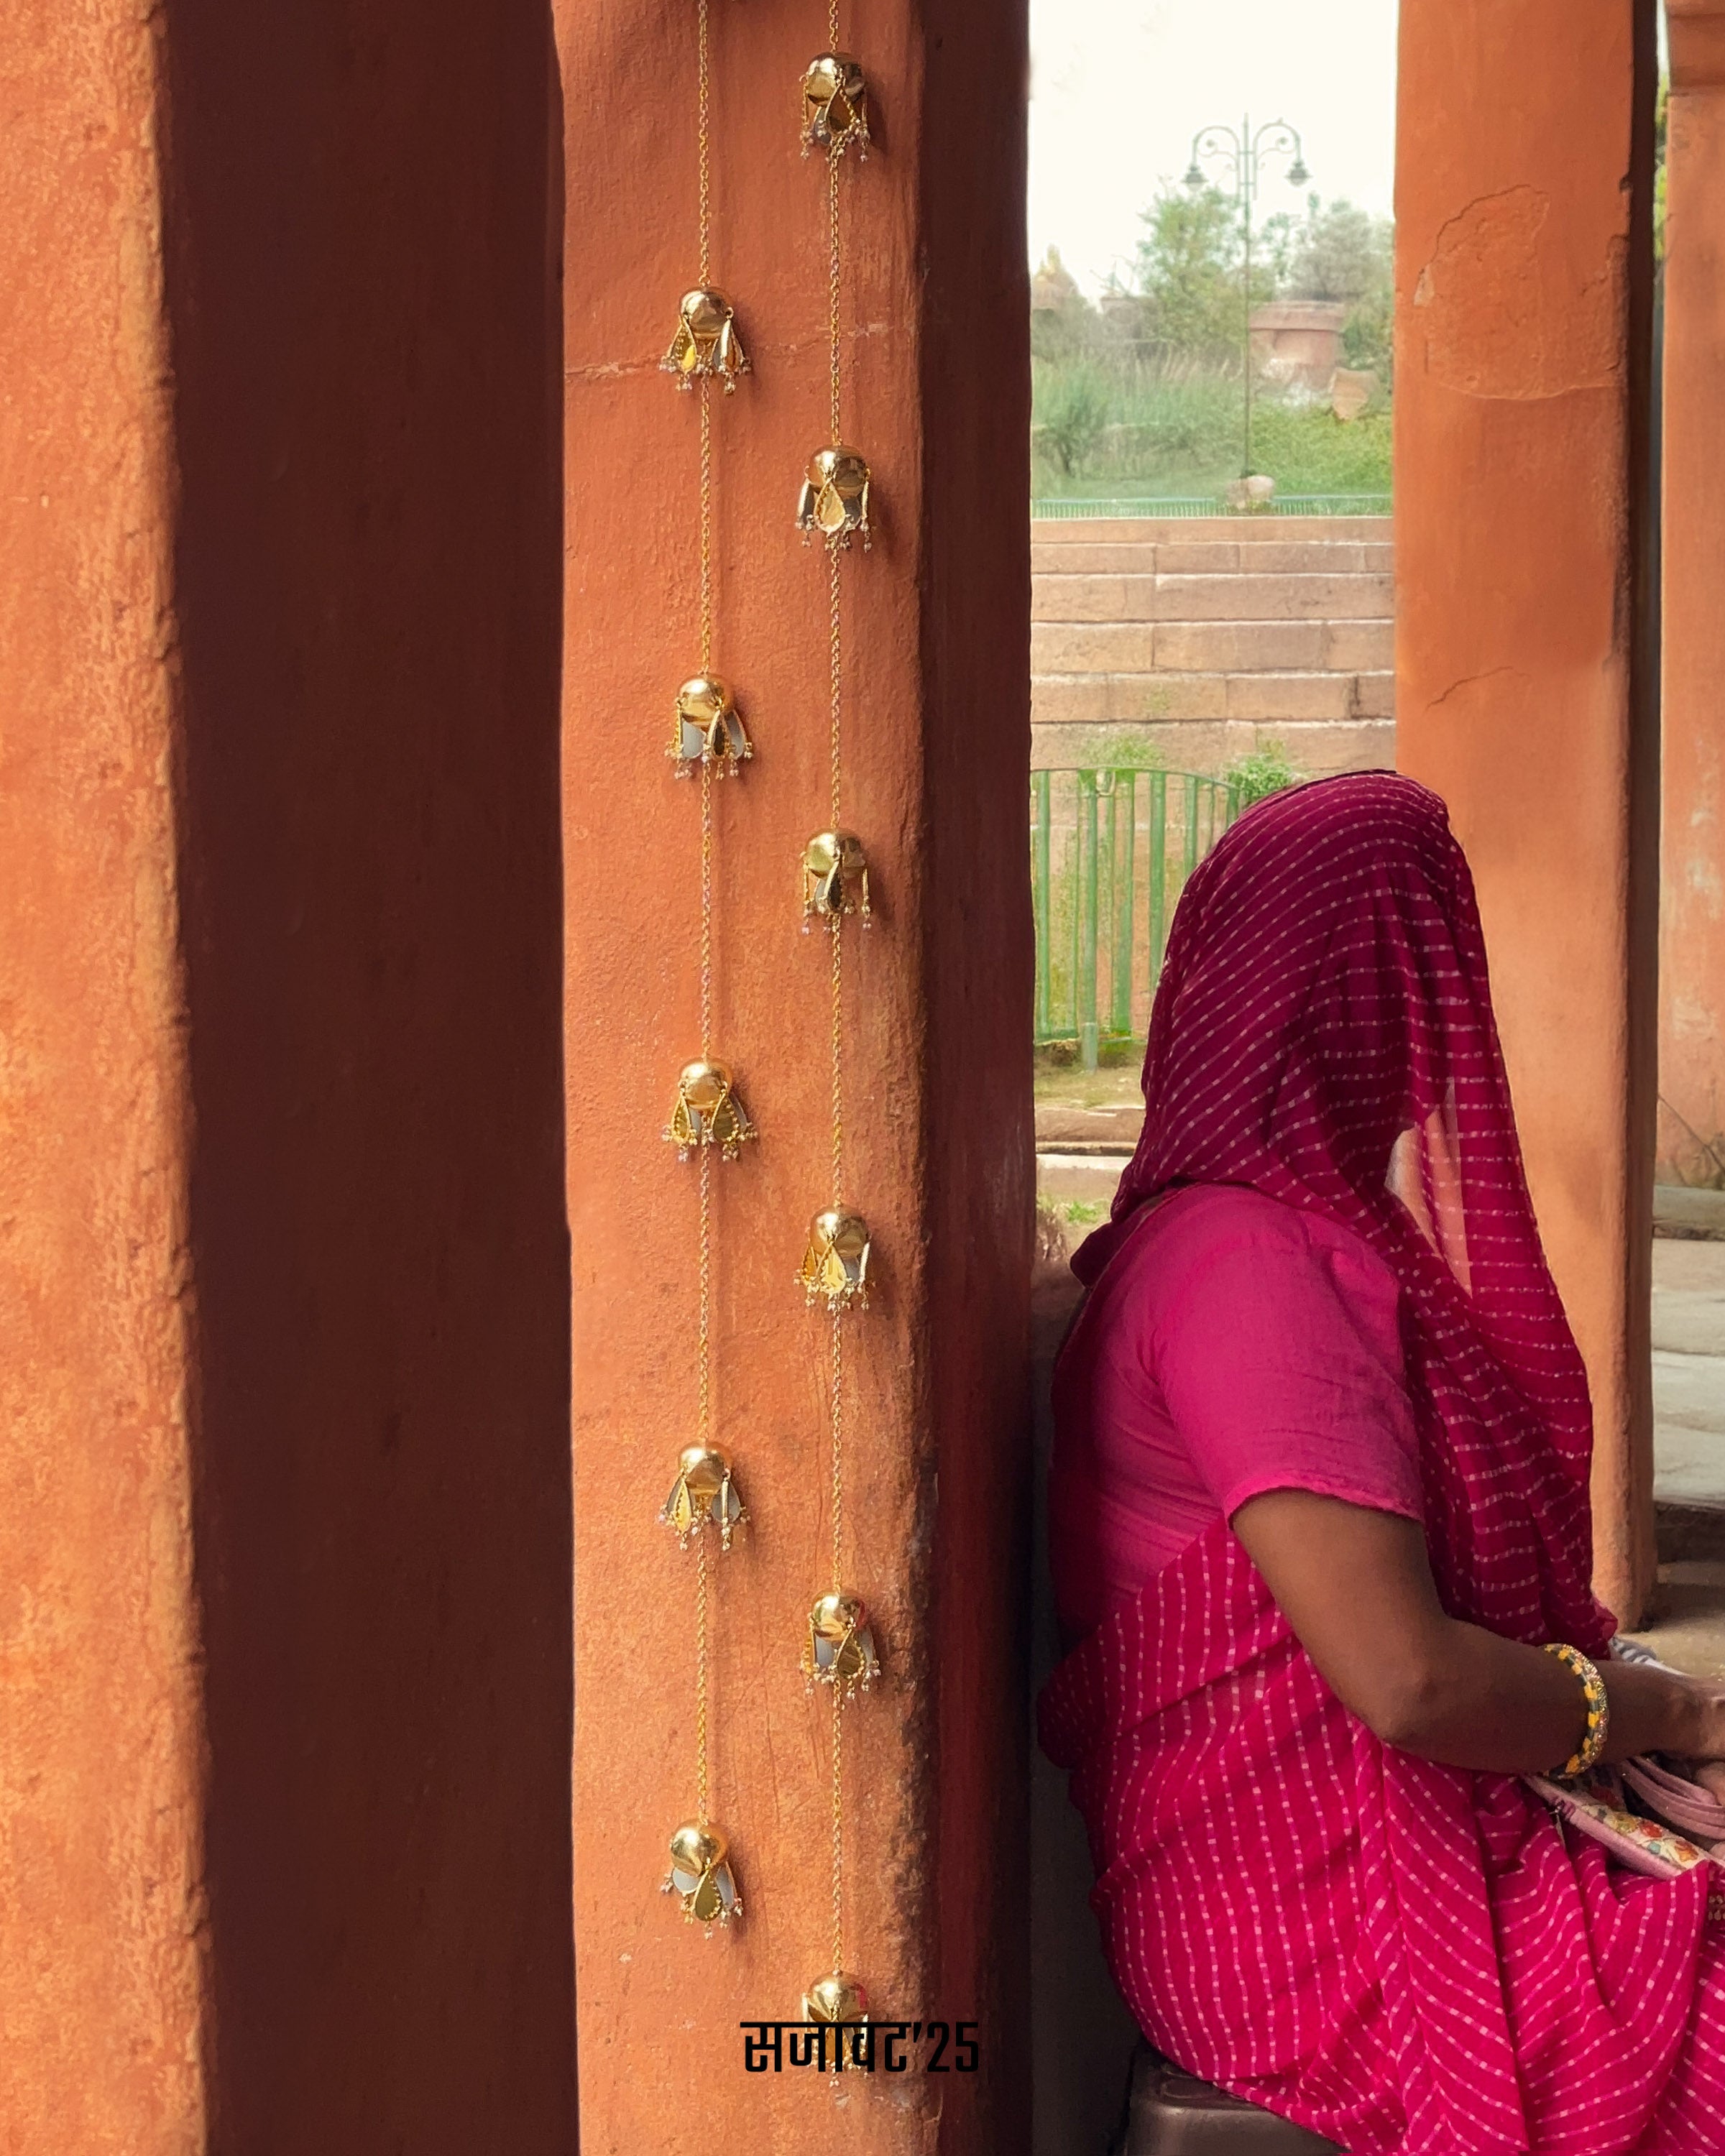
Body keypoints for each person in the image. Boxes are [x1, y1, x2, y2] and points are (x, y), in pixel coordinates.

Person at [1040, 772, 1725, 2155]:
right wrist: (1662, 1713)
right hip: (1313, 1925)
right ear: (1370, 998)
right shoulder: (1251, 1269)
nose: (1436, 1024)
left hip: (1313, 1874)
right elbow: (1410, 1685)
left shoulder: (1235, 1233)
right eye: (1424, 963)